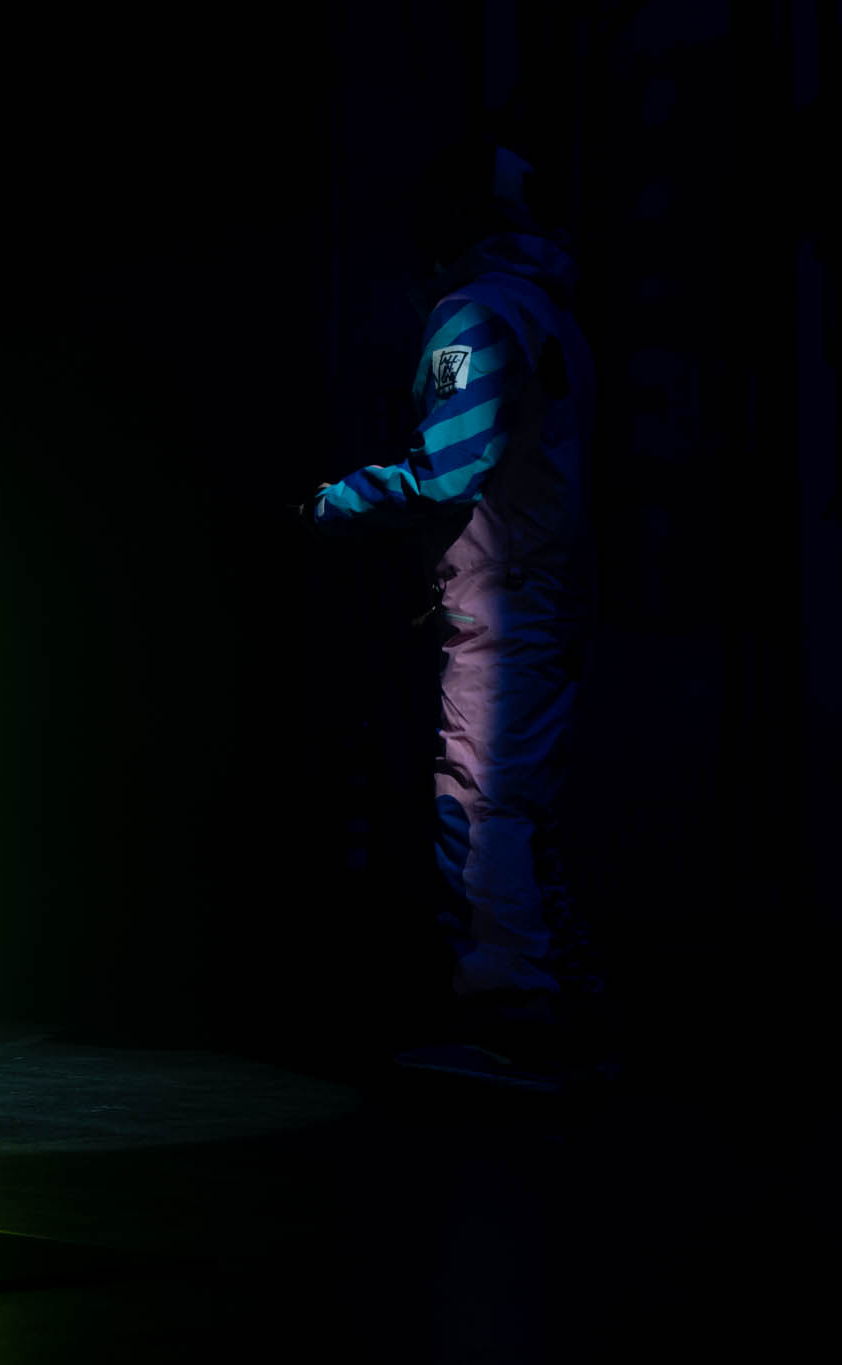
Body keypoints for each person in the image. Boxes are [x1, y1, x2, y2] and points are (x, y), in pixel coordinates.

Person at [303, 137, 607, 1089]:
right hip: (544, 596)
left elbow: (444, 471)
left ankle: (514, 1023)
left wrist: (331, 503)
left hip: (503, 606)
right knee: (521, 806)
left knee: (479, 803)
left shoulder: (478, 312)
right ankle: (557, 1011)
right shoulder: (551, 309)